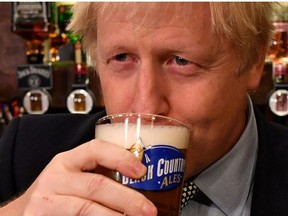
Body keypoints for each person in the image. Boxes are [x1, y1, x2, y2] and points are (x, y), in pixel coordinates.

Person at [0, 2, 287, 216]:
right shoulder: (26, 153)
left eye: (181, 61)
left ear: (254, 62)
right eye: (122, 57)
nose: (146, 105)